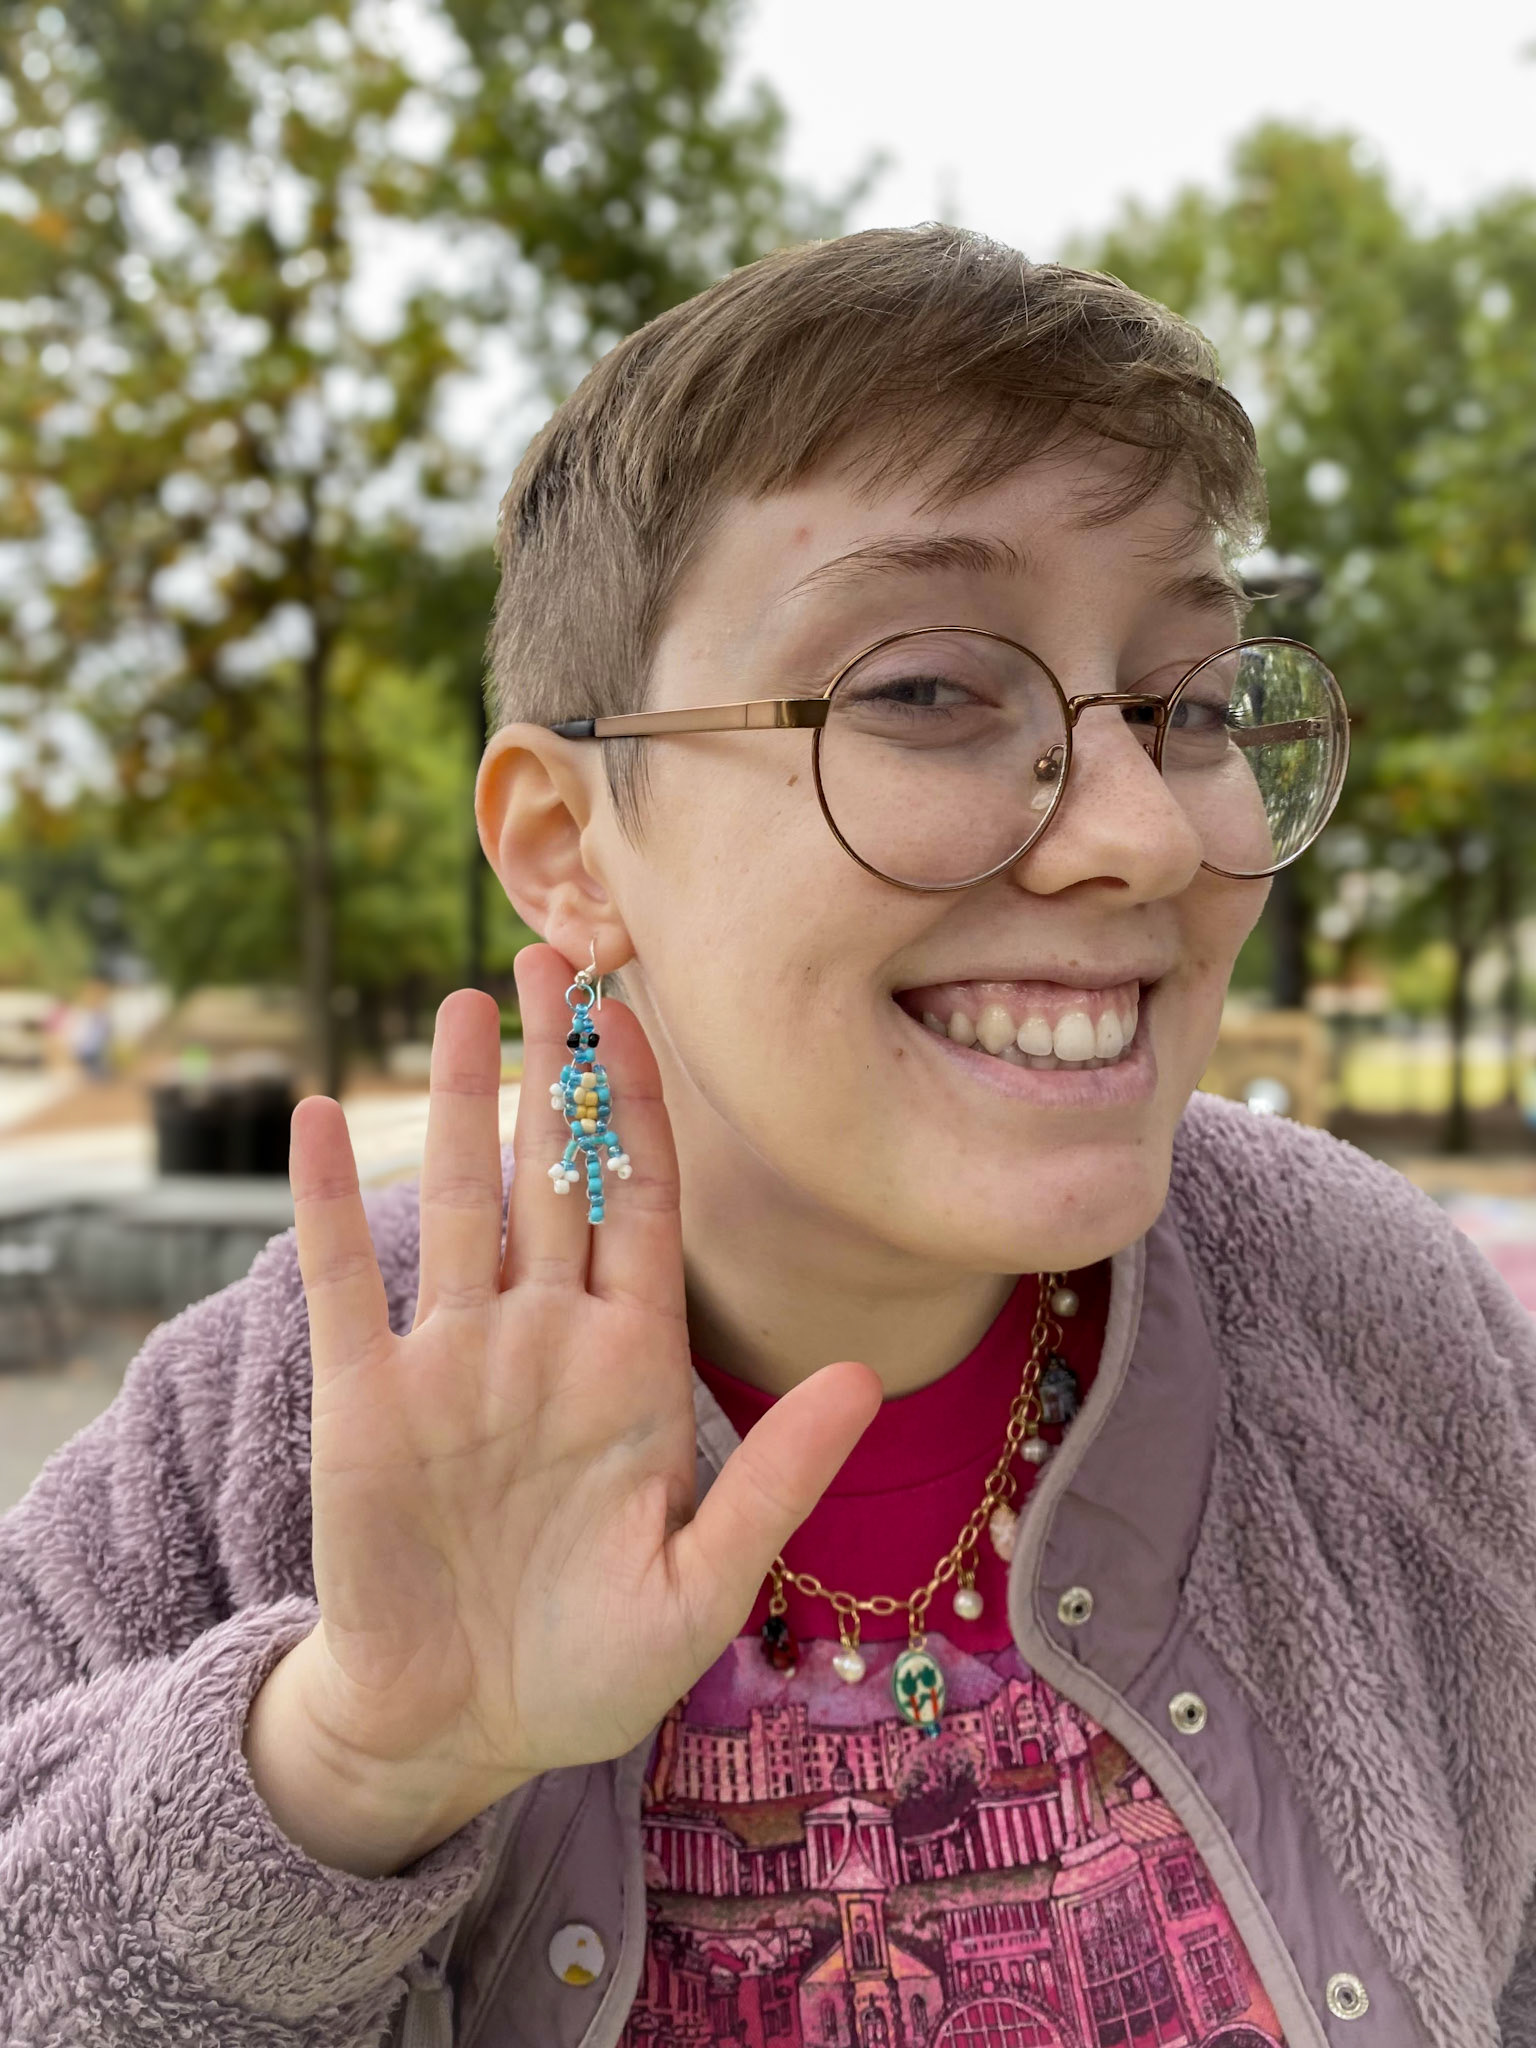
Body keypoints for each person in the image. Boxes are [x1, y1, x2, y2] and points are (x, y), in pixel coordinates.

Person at [2, 226, 1534, 2048]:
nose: (1143, 831)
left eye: (1188, 702)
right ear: (570, 844)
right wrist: (350, 1762)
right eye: (926, 691)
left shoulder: (1374, 1328)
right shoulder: (280, 1428)